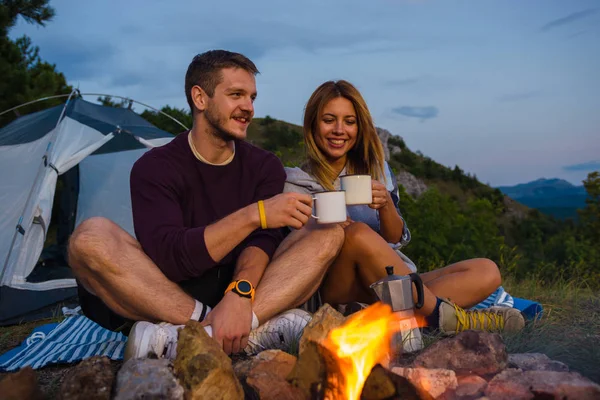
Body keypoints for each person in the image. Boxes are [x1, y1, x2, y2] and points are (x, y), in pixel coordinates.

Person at [68, 51, 345, 360]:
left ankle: (213, 336)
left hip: (247, 290)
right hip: (169, 295)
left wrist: (240, 292)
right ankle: (218, 329)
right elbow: (170, 257)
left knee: (329, 233)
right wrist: (256, 214)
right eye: (236, 95)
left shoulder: (264, 166)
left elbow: (263, 241)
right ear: (200, 98)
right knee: (88, 238)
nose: (248, 108)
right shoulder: (155, 167)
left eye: (252, 97)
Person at [284, 80, 525, 334]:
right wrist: (326, 229)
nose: (339, 130)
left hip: (388, 283)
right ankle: (441, 318)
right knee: (356, 234)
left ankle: (386, 319)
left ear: (360, 126)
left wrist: (386, 203)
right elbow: (298, 262)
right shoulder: (294, 184)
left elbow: (395, 238)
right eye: (329, 120)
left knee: (486, 271)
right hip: (337, 292)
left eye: (350, 121)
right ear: (313, 124)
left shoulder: (375, 170)